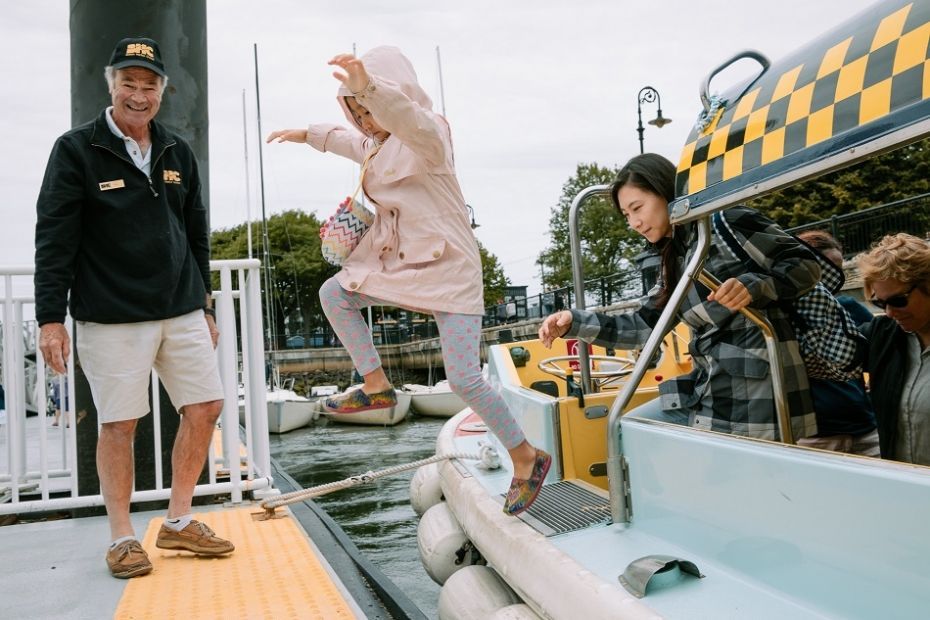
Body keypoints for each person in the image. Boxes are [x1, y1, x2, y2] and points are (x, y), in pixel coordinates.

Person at [266, 47, 549, 516]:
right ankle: (376, 384)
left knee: (464, 378)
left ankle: (525, 456)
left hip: (450, 269)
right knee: (334, 293)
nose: (365, 121)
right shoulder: (373, 147)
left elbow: (406, 117)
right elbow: (343, 140)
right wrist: (305, 134)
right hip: (400, 267)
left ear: (392, 95)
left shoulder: (429, 134)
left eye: (368, 109)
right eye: (357, 112)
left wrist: (369, 88)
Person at [34, 37, 233, 579]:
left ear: (162, 92)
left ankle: (178, 520)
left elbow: (196, 233)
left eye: (149, 85)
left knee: (205, 407)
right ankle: (122, 537)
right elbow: (54, 238)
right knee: (119, 424)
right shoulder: (75, 149)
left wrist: (205, 304)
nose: (139, 95)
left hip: (181, 308)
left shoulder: (176, 150)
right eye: (129, 83)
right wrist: (50, 318)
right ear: (111, 85)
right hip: (111, 314)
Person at [539, 153, 821, 440]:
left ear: (665, 192)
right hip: (712, 389)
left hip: (755, 400)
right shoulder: (675, 257)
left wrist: (753, 287)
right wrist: (574, 321)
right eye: (627, 215)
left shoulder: (726, 222)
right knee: (626, 430)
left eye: (637, 208)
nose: (634, 223)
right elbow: (643, 326)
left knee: (632, 436)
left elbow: (807, 264)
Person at [793, 230, 879, 456]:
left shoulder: (847, 306)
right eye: (828, 269)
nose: (836, 277)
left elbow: (878, 352)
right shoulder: (785, 314)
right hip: (815, 436)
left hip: (864, 425)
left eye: (839, 269)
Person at [857, 233, 930, 465]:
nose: (889, 312)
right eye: (880, 303)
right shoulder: (883, 334)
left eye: (899, 300)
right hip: (901, 482)